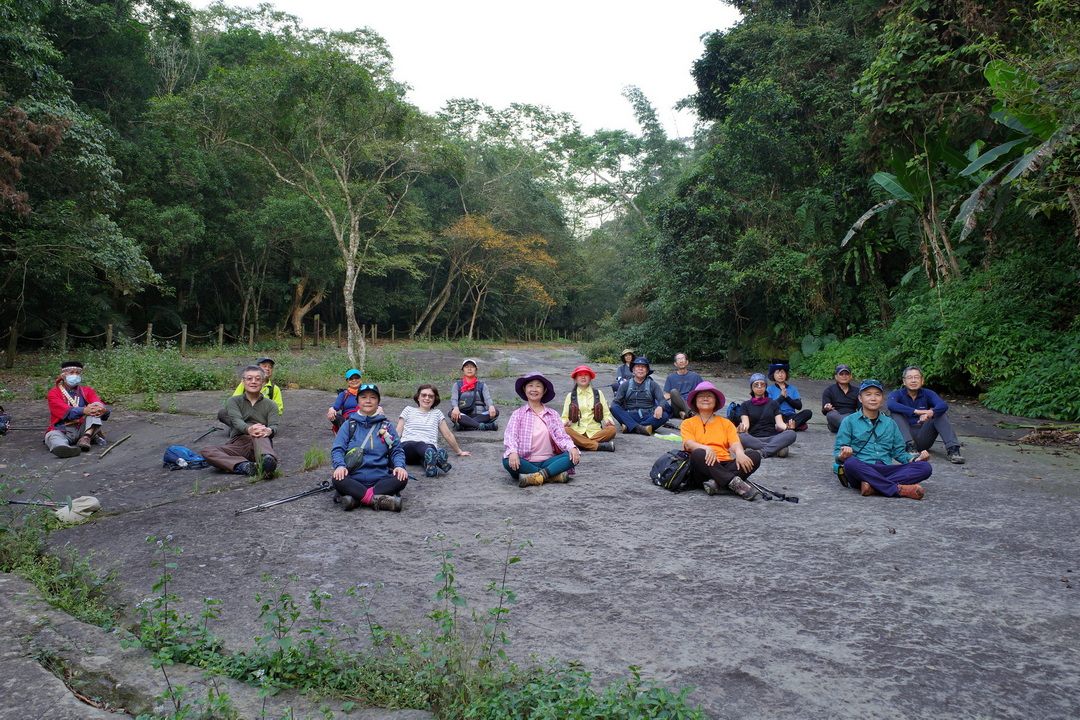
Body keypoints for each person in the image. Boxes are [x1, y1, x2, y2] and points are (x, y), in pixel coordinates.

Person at [835, 379, 932, 499]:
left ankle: (873, 487)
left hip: (886, 469)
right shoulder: (849, 421)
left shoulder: (890, 423)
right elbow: (838, 455)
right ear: (860, 398)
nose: (873, 398)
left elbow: (899, 452)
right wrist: (843, 455)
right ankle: (897, 489)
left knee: (925, 467)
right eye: (868, 394)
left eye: (877, 394)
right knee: (850, 463)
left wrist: (915, 460)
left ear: (882, 398)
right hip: (862, 469)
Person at [680, 381, 763, 500]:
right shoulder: (688, 423)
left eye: (709, 396)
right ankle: (733, 483)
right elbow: (689, 444)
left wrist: (739, 453)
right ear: (695, 401)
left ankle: (716, 483)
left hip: (724, 464)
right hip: (703, 466)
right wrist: (707, 448)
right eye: (701, 396)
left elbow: (735, 443)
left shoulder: (726, 423)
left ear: (715, 401)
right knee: (698, 453)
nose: (705, 398)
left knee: (754, 455)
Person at [331, 382, 407, 511]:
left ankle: (356, 499)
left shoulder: (386, 425)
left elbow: (397, 450)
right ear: (357, 401)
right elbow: (338, 449)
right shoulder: (349, 424)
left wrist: (399, 466)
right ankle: (377, 500)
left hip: (380, 480)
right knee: (337, 478)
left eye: (372, 397)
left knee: (401, 478)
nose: (368, 401)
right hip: (354, 479)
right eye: (364, 397)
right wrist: (340, 466)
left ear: (378, 401)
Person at [503, 372, 580, 487]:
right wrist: (513, 452)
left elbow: (561, 437)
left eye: (538, 386)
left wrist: (572, 448)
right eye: (530, 386)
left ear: (544, 391)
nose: (534, 389)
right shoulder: (518, 414)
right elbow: (511, 436)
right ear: (524, 389)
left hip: (548, 461)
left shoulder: (552, 414)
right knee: (506, 460)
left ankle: (537, 476)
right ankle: (551, 475)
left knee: (572, 456)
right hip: (525, 461)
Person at [202, 365, 279, 478]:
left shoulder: (271, 405)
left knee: (260, 433)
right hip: (237, 443)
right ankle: (244, 466)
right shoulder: (234, 401)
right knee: (207, 450)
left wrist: (268, 430)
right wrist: (249, 429)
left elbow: (274, 426)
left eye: (258, 379)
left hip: (259, 443)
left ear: (263, 382)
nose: (253, 382)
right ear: (242, 381)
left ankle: (266, 462)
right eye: (249, 378)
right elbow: (237, 421)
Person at [887, 365, 965, 464]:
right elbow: (891, 404)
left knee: (940, 414)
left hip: (923, 436)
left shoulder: (928, 393)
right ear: (904, 381)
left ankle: (953, 449)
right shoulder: (897, 394)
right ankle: (910, 445)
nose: (913, 380)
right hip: (904, 438)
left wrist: (930, 412)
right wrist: (917, 411)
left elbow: (943, 405)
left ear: (922, 380)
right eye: (910, 378)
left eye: (916, 377)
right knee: (895, 414)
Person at [396, 384, 470, 477]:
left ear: (435, 399)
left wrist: (459, 451)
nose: (427, 398)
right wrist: (389, 452)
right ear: (418, 397)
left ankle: (431, 468)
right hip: (408, 447)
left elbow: (447, 434)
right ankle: (438, 460)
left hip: (429, 448)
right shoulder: (408, 410)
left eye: (430, 396)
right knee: (422, 446)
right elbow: (397, 433)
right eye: (424, 395)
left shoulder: (437, 413)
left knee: (427, 458)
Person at [44, 361, 110, 457]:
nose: (75, 375)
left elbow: (98, 403)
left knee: (95, 409)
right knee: (51, 436)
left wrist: (103, 409)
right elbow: (63, 410)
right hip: (64, 430)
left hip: (85, 429)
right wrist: (83, 410)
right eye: (71, 373)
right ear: (63, 376)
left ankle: (86, 438)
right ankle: (63, 448)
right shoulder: (54, 393)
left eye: (77, 373)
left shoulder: (87, 390)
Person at [737, 373, 797, 458]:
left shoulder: (774, 403)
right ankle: (775, 449)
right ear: (751, 387)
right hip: (754, 438)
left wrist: (787, 427)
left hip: (773, 437)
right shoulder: (745, 405)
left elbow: (780, 423)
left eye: (762, 384)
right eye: (756, 384)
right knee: (740, 437)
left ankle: (761, 452)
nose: (759, 387)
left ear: (766, 387)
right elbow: (745, 424)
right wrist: (741, 429)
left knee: (791, 434)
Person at [561, 366, 616, 452]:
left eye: (586, 375)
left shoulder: (598, 393)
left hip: (595, 432)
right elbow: (564, 416)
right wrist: (564, 423)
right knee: (565, 430)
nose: (583, 377)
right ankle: (598, 446)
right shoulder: (570, 396)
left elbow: (606, 413)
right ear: (575, 379)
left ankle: (581, 444)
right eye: (580, 375)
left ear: (590, 378)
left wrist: (608, 420)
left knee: (612, 430)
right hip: (577, 432)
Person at [610, 357, 668, 436]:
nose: (640, 369)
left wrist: (660, 407)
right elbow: (616, 402)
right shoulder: (625, 385)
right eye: (637, 367)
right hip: (630, 415)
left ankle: (631, 427)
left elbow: (662, 400)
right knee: (614, 408)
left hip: (648, 415)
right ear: (633, 370)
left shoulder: (653, 384)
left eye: (643, 367)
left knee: (664, 415)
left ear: (647, 371)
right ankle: (643, 428)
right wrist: (610, 406)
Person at [218, 356, 283, 424]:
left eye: (270, 367)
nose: (267, 369)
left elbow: (279, 409)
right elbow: (235, 400)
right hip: (244, 415)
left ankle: (243, 428)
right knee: (223, 413)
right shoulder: (245, 383)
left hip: (262, 417)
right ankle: (247, 428)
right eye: (264, 366)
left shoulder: (274, 388)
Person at [450, 359, 498, 431]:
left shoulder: (482, 385)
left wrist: (491, 406)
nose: (469, 369)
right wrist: (455, 408)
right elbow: (454, 399)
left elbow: (488, 398)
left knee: (496, 411)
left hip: (480, 413)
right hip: (464, 414)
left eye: (472, 367)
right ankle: (482, 426)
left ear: (476, 370)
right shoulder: (457, 385)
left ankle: (465, 425)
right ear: (463, 370)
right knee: (451, 413)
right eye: (466, 367)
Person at [766, 362, 812, 431]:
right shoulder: (769, 389)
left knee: (808, 412)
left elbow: (799, 406)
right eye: (777, 373)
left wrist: (787, 397)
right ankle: (796, 426)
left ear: (786, 375)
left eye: (783, 373)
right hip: (777, 416)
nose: (780, 375)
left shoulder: (792, 389)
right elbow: (769, 407)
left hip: (791, 416)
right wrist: (781, 397)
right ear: (773, 375)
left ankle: (784, 427)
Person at [663, 352, 704, 420]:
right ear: (675, 364)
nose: (681, 361)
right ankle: (689, 412)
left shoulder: (696, 376)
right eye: (678, 359)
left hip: (691, 403)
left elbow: (702, 392)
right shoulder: (670, 377)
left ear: (687, 362)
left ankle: (685, 413)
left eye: (682, 358)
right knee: (673, 392)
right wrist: (657, 401)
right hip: (677, 407)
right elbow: (667, 395)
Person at [822, 364, 860, 433]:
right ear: (836, 376)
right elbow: (824, 411)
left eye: (846, 374)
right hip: (836, 418)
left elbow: (861, 409)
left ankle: (846, 429)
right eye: (841, 374)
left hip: (851, 416)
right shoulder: (829, 390)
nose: (844, 376)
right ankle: (849, 429)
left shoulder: (857, 391)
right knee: (831, 414)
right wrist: (827, 408)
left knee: (856, 417)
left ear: (850, 376)